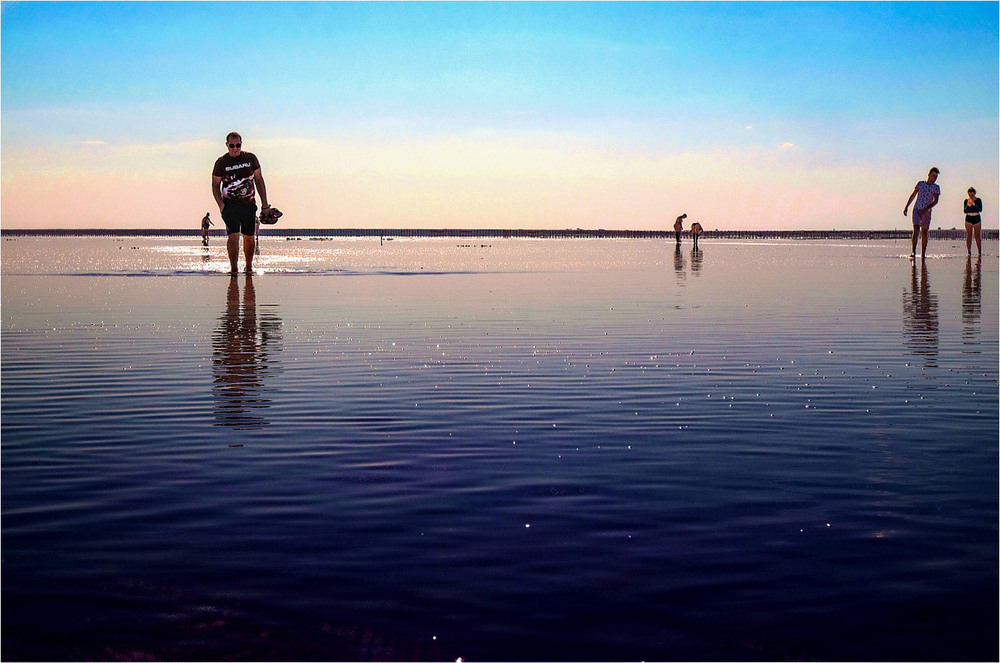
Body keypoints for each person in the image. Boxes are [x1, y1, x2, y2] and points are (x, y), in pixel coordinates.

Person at [212, 132, 271, 275]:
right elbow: (215, 185)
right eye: (232, 145)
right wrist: (221, 205)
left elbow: (259, 180)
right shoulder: (221, 162)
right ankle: (233, 269)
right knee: (233, 235)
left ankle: (249, 267)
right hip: (230, 205)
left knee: (249, 237)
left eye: (238, 145)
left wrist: (265, 204)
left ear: (241, 144)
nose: (235, 148)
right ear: (227, 145)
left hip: (249, 204)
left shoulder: (250, 158)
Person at [903, 167, 940, 260]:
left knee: (924, 232)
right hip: (917, 209)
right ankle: (913, 251)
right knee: (916, 230)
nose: (934, 178)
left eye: (936, 176)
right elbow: (913, 195)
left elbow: (936, 201)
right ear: (929, 174)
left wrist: (927, 208)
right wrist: (906, 206)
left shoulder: (936, 187)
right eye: (933, 175)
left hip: (926, 212)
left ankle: (923, 253)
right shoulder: (921, 184)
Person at [964, 187, 983, 256]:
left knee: (977, 236)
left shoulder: (978, 200)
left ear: (974, 193)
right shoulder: (966, 201)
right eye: (969, 194)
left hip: (976, 217)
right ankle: (969, 252)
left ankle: (979, 252)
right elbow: (965, 211)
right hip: (969, 218)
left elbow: (980, 209)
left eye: (972, 194)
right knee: (969, 236)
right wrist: (968, 206)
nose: (971, 196)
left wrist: (974, 204)